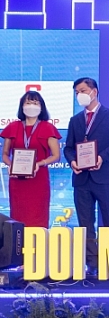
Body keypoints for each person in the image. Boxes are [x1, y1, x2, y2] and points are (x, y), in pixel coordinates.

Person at [63, 77, 109, 274]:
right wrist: (72, 161)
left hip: (104, 176)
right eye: (76, 92)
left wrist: (102, 157)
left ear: (94, 91)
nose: (79, 95)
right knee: (85, 223)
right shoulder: (75, 120)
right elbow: (68, 148)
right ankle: (92, 263)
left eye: (82, 91)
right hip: (81, 178)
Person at [0, 91, 61, 227]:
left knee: (37, 215)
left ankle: (38, 239)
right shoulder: (12, 127)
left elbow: (56, 156)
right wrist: (11, 165)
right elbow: (5, 154)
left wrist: (39, 164)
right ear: (22, 106)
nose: (31, 106)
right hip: (17, 180)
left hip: (38, 180)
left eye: (35, 103)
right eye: (28, 102)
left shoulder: (48, 128)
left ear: (41, 107)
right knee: (18, 217)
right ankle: (17, 240)